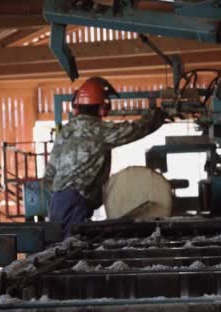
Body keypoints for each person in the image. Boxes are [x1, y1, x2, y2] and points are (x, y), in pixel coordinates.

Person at [43, 77, 167, 237]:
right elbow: (134, 130)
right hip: (76, 200)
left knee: (62, 247)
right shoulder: (99, 131)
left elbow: (49, 176)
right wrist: (157, 116)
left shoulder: (66, 131)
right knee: (71, 250)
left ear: (77, 106)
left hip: (58, 200)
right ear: (103, 107)